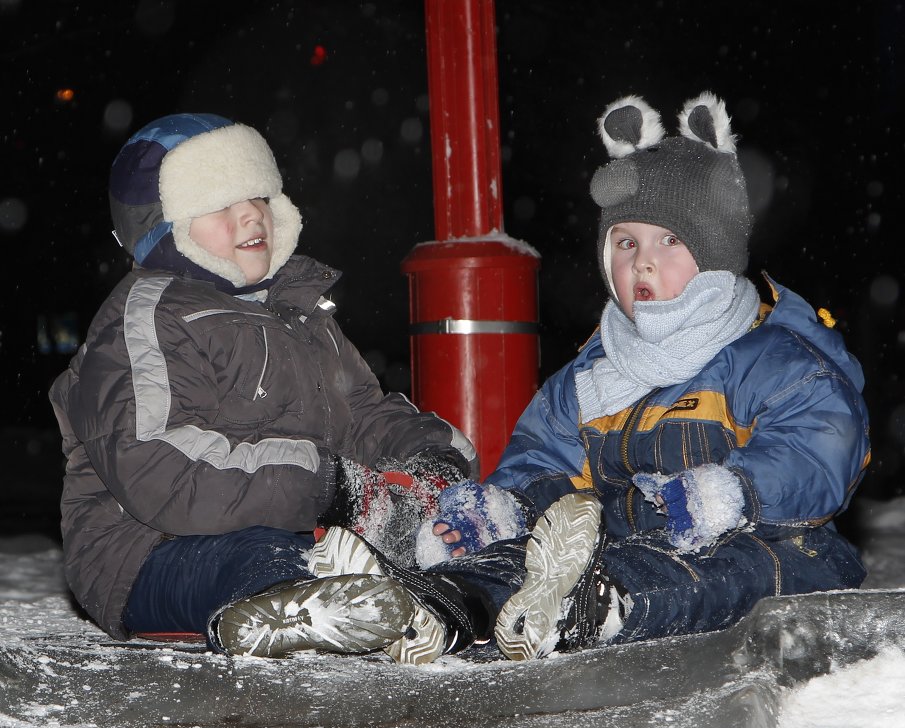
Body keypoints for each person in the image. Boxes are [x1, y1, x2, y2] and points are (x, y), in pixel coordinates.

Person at [307, 92, 871, 664]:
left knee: (724, 568)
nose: (642, 262)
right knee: (527, 553)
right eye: (626, 243)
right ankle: (442, 607)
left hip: (775, 544)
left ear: (716, 248)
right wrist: (507, 508)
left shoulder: (768, 355)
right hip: (605, 546)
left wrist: (729, 494)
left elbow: (822, 442)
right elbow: (542, 461)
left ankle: (595, 606)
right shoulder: (591, 377)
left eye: (670, 241)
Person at [48, 112, 479, 664]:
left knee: (446, 536)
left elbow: (363, 412)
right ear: (166, 228)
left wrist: (434, 460)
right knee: (265, 554)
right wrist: (325, 484)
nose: (250, 214)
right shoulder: (149, 318)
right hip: (147, 552)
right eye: (220, 203)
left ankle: (464, 601)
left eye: (256, 196)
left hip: (297, 523)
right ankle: (299, 603)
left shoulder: (299, 313)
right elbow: (160, 468)